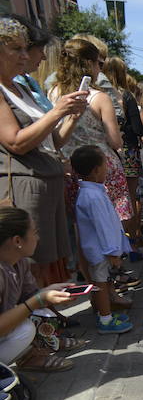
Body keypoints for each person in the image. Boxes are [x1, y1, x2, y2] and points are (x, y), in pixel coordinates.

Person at [0, 18, 85, 286]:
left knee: (48, 257)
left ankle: (48, 318)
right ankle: (38, 322)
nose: (25, 56)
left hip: (46, 183)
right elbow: (15, 142)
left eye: (26, 48)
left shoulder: (21, 88)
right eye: (17, 49)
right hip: (24, 188)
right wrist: (57, 111)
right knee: (30, 261)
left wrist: (71, 116)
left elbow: (52, 141)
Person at [51, 39, 133, 226]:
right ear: (89, 63)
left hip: (71, 167)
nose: (100, 69)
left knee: (82, 229)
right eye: (99, 63)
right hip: (101, 167)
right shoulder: (99, 97)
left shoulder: (53, 93)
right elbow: (116, 141)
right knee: (112, 226)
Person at [0, 207, 78, 371]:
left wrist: (52, 293)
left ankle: (35, 353)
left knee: (40, 313)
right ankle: (28, 358)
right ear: (17, 241)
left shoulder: (20, 262)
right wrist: (37, 300)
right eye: (34, 232)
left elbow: (31, 295)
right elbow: (32, 302)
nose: (38, 238)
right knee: (27, 326)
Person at [70, 145, 134, 335]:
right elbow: (103, 227)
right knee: (101, 285)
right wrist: (113, 251)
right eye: (105, 165)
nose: (108, 168)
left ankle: (105, 315)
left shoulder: (93, 192)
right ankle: (105, 320)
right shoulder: (92, 196)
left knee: (103, 283)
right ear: (97, 170)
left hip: (101, 250)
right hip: (100, 251)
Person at [104, 56, 143, 246]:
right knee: (127, 198)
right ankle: (131, 239)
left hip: (107, 152)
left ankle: (115, 241)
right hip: (128, 152)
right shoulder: (126, 96)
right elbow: (139, 129)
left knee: (109, 200)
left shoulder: (100, 94)